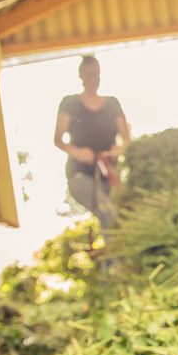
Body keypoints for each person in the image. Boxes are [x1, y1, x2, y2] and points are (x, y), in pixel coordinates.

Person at [53, 55, 130, 229]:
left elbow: (126, 140)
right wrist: (77, 152)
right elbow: (58, 139)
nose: (94, 78)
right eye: (89, 74)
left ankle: (113, 255)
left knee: (117, 215)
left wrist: (117, 150)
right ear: (81, 76)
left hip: (109, 175)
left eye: (97, 74)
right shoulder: (70, 103)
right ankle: (118, 256)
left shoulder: (112, 103)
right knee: (107, 212)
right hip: (80, 174)